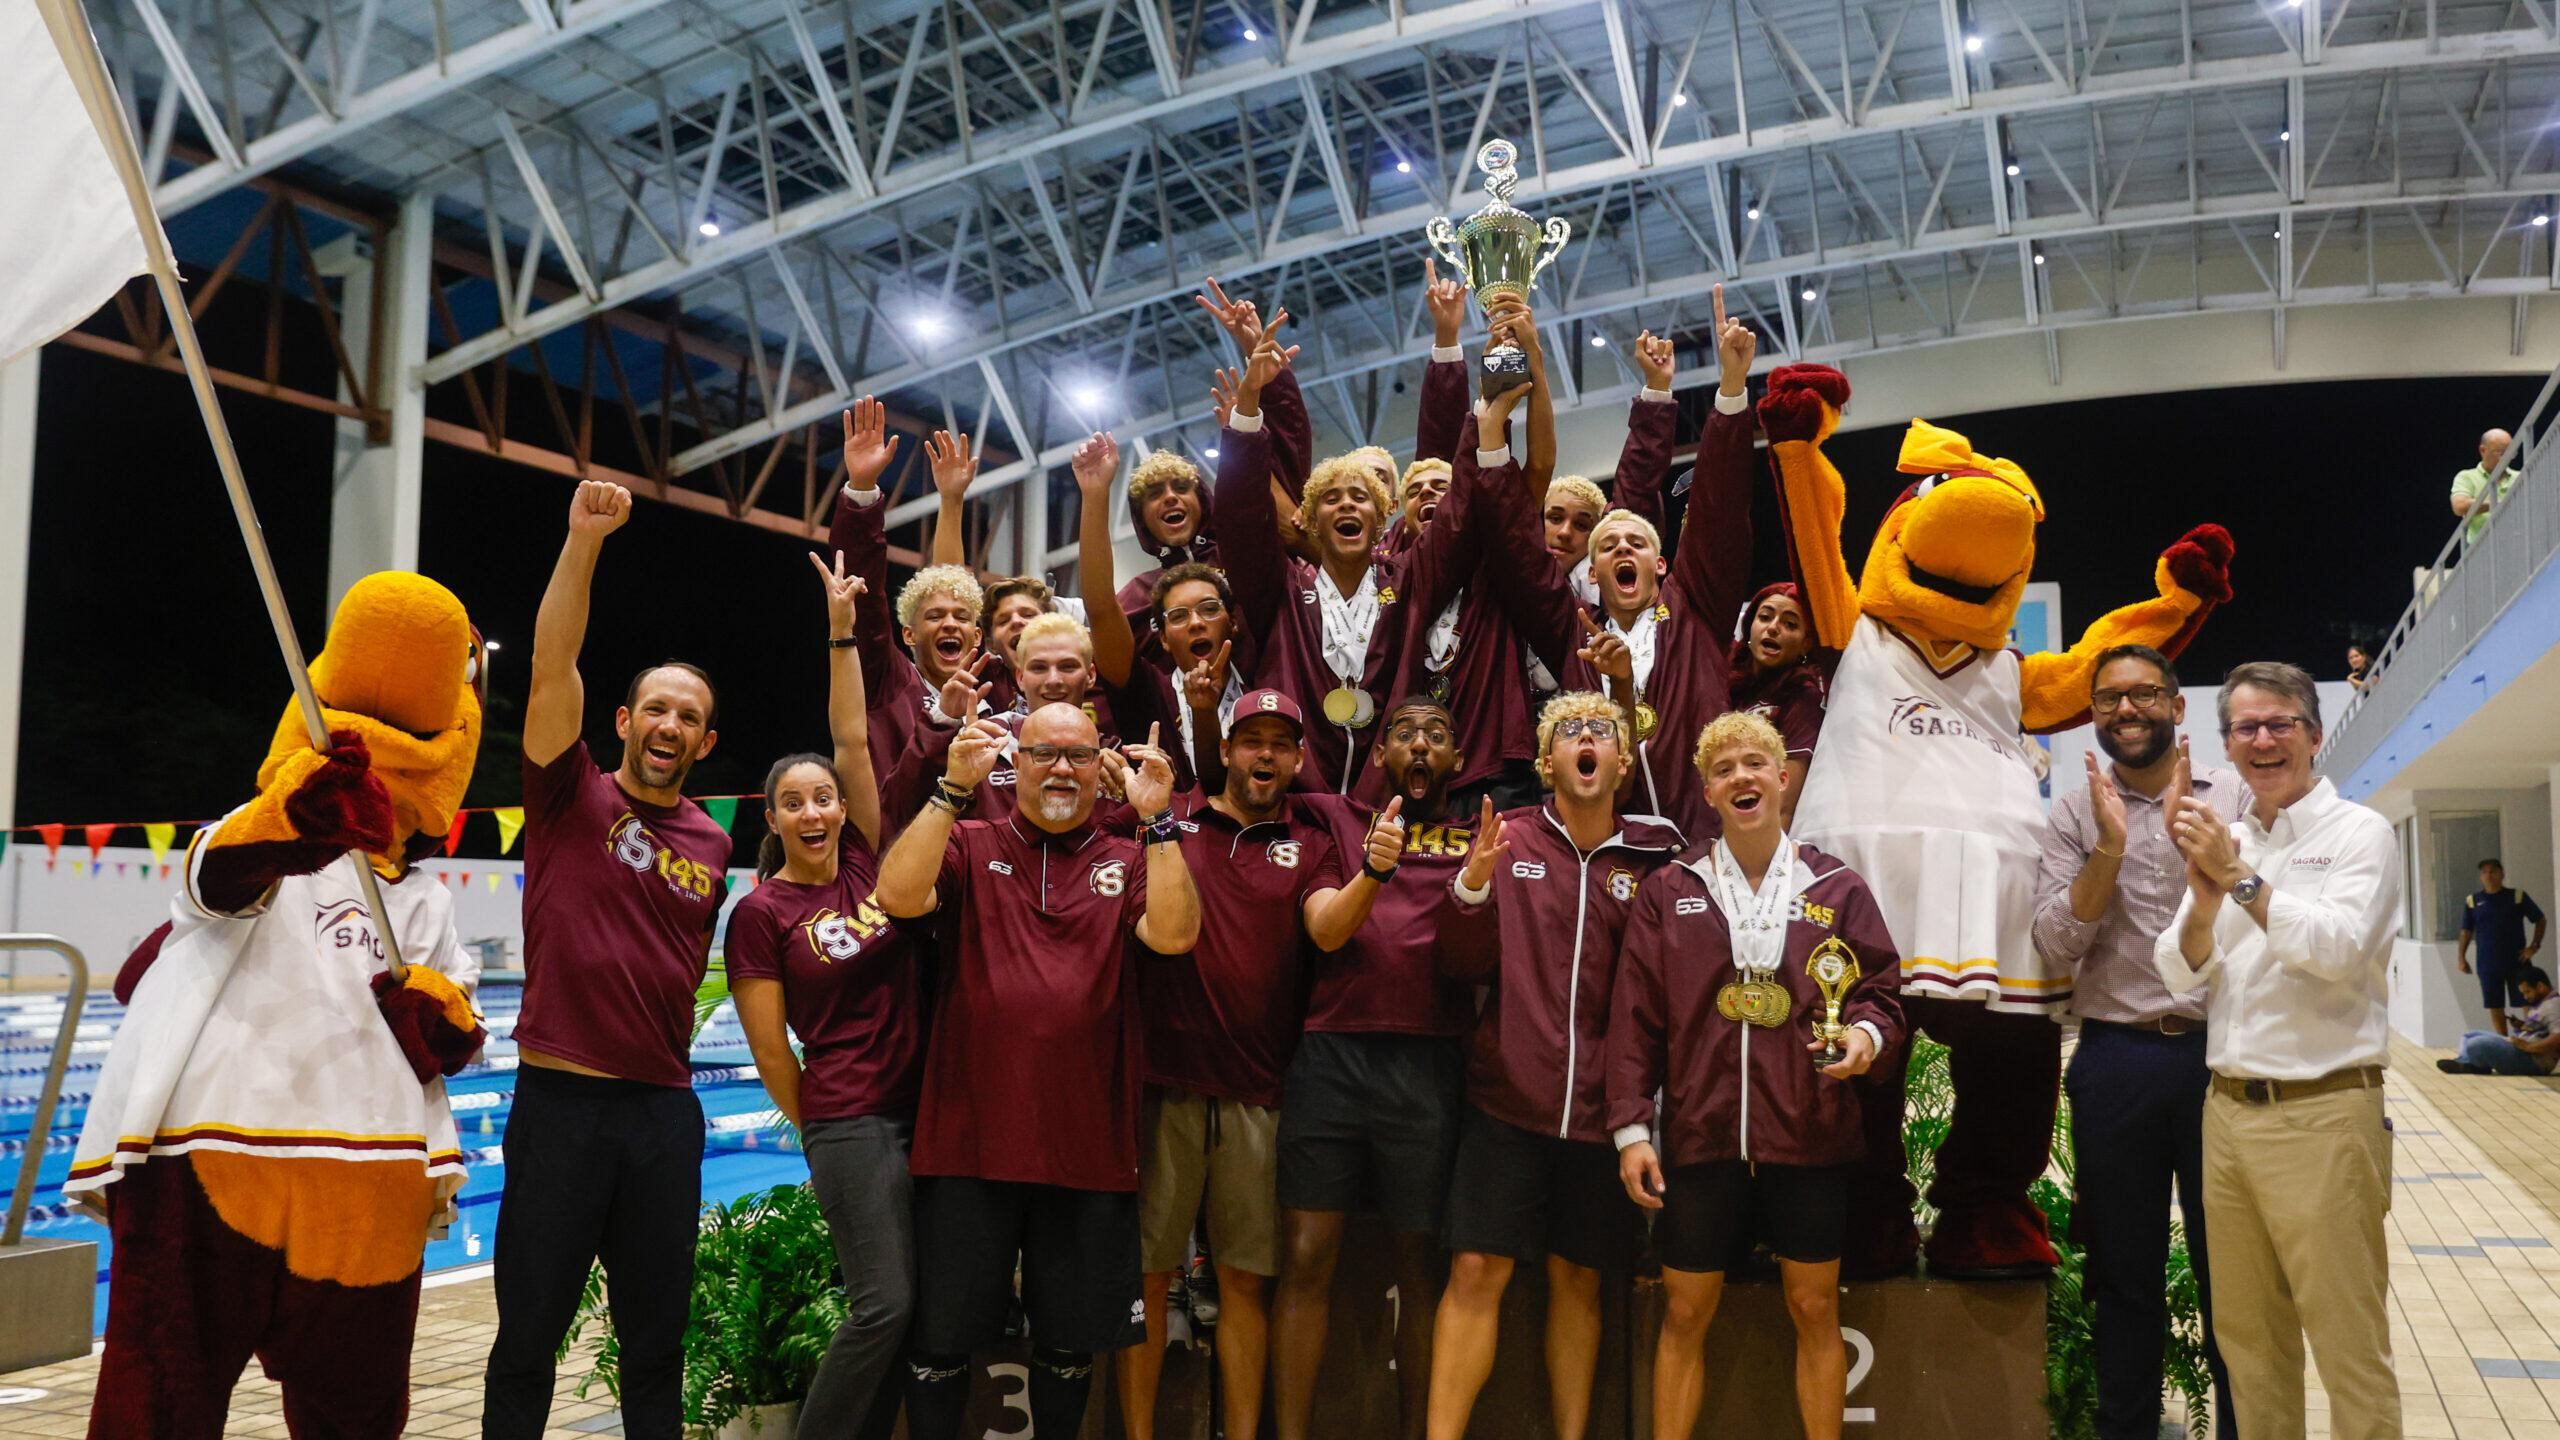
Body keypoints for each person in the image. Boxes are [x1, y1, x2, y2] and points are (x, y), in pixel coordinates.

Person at [485, 481, 736, 1440]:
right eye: (655, 710)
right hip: (561, 1107)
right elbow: (554, 660)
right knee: (526, 1341)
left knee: (656, 1343)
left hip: (662, 1117)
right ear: (624, 722)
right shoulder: (565, 794)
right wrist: (583, 541)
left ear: (705, 743)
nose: (670, 727)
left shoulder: (714, 846)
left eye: (689, 718)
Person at [874, 705, 1200, 1440]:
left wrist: (1158, 820)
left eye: (1079, 756)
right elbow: (895, 895)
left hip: (1086, 1146)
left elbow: (1176, 936)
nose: (1061, 769)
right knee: (941, 1342)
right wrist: (949, 790)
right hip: (967, 1141)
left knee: (1068, 1344)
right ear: (1013, 763)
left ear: (1101, 769)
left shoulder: (1126, 854)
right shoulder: (968, 839)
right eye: (1044, 754)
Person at [1114, 688, 1408, 1440]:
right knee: (1149, 1280)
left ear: (1299, 758)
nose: (1266, 756)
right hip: (1163, 1085)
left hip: (1258, 1090)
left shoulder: (1308, 841)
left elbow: (1328, 931)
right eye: (1252, 741)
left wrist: (1371, 877)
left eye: (1281, 744)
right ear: (1227, 749)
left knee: (1245, 1282)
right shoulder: (1169, 814)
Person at [1608, 711, 1904, 1440]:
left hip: (1808, 1133)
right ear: (1707, 791)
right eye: (1723, 769)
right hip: (1702, 1137)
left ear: (1781, 780)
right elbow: (1635, 1018)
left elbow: (1881, 993)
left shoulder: (1837, 889)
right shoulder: (1668, 890)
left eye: (1754, 764)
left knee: (1814, 1309)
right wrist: (1630, 1132)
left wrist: (1865, 1038)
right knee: (1683, 1313)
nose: (1741, 777)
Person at [1422, 693, 1684, 1440]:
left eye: (1603, 731)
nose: (1588, 739)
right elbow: (1458, 963)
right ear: (1546, 764)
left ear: (1625, 763)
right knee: (1477, 1272)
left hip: (1608, 1119)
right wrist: (1471, 885)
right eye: (1570, 732)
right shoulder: (1508, 841)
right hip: (1506, 1102)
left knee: (1579, 1281)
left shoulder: (1659, 854)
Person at [2155, 661, 2403, 1440]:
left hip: (2325, 1115)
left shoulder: (2360, 833)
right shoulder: (2228, 840)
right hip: (2226, 1117)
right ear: (2227, 744)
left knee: (2348, 1348)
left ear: (2314, 734)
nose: (2262, 741)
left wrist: (2239, 880)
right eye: (2245, 728)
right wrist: (2204, 899)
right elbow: (2177, 968)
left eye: (2280, 723)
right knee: (2249, 1348)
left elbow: (2334, 949)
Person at [725, 550, 917, 1440]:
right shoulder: (762, 913)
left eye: (824, 799)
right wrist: (822, 1128)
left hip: (924, 1108)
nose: (813, 811)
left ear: (843, 808)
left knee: (915, 1312)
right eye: (793, 803)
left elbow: (850, 737)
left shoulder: (877, 863)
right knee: (883, 1306)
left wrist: (844, 631)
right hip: (851, 1120)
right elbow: (771, 1051)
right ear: (771, 819)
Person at [2030, 645, 2238, 1440]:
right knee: (2125, 1279)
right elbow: (2055, 945)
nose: (2128, 710)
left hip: (2222, 1059)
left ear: (2177, 707)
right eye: (2110, 699)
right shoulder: (2075, 812)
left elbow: (2253, 920)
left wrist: (2195, 843)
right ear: (2094, 715)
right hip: (2116, 1060)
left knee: (2234, 1280)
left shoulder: (2234, 802)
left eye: (2145, 694)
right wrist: (2110, 847)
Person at [1268, 696, 1478, 1440]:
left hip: (1428, 1063)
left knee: (1418, 1265)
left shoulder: (1480, 834)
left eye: (1438, 736)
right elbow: (1322, 928)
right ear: (1382, 752)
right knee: (1305, 1255)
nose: (1420, 746)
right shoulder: (1337, 818)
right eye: (1405, 734)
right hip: (1332, 1054)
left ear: (1457, 758)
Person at [1493, 287, 1756, 836]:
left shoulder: (1695, 609)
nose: (1621, 549)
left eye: (1637, 543)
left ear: (1662, 566)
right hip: (1612, 848)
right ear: (1593, 575)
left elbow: (1718, 507)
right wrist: (1498, 410)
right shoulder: (1575, 633)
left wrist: (1729, 391)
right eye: (1607, 547)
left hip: (1707, 837)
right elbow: (1514, 538)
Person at [1213, 326, 1508, 797]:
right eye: (1331, 499)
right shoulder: (1282, 589)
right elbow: (1241, 520)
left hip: (1390, 797)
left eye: (1360, 498)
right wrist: (1248, 410)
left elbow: (1459, 512)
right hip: (1299, 799)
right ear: (1309, 521)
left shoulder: (1410, 580)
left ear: (1381, 520)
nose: (1347, 505)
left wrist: (1486, 417)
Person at [830, 397, 1013, 783]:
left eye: (962, 618)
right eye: (933, 617)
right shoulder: (890, 681)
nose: (950, 623)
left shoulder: (998, 688)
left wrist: (952, 501)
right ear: (908, 634)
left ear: (978, 635)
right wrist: (862, 488)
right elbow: (866, 595)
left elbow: (950, 585)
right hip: (907, 837)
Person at [1074, 431, 1239, 792]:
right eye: (1154, 493)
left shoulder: (1245, 564)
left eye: (1181, 487)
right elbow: (1100, 609)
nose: (1169, 497)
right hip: (1171, 753)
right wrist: (1095, 495)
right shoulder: (1135, 596)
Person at [1726, 581, 1828, 825]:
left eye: (1790, 624)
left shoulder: (1804, 697)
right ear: (1749, 627)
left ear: (1806, 642)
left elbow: (1783, 806)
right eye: (1765, 617)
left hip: (1754, 832)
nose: (1773, 628)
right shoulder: (1723, 684)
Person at [2456, 858, 2546, 1036]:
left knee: (2526, 1001)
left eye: (2493, 871)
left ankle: (2532, 1038)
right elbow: (2466, 931)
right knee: (2494, 1004)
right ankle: (2503, 1043)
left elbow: (2540, 919)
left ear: (2502, 874)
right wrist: (2461, 958)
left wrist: (2534, 946)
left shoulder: (2517, 896)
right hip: (2488, 964)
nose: (2489, 875)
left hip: (2518, 963)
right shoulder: (2473, 901)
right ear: (2481, 877)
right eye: (2485, 872)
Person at [2439, 965, 2560, 1075]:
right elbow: (2540, 1029)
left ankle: (2469, 1064)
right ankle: (2468, 1063)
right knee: (2469, 1036)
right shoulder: (2543, 1003)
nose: (2525, 997)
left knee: (2475, 1045)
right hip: (2521, 1048)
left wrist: (2529, 1047)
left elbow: (2557, 1037)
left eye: (2528, 992)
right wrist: (2521, 1025)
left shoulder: (2553, 1006)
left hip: (2533, 1061)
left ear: (2540, 986)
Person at [2451, 427, 2519, 545]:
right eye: (2502, 453)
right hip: (2481, 550)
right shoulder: (2467, 477)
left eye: (2511, 452)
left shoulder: (2520, 476)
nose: (2507, 458)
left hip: (2517, 543)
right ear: (2483, 450)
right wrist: (2500, 502)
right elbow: (2459, 506)